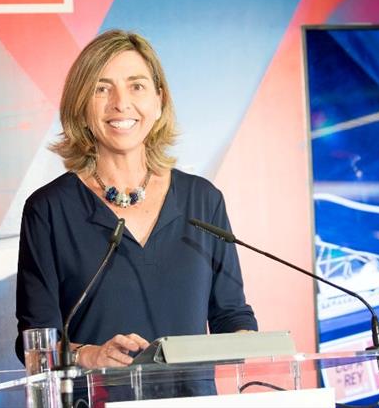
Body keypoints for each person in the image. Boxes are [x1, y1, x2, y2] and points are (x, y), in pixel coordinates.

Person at [15, 29, 257, 373]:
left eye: (137, 86)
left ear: (159, 101)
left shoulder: (203, 201)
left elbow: (231, 314)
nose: (121, 103)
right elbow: (35, 344)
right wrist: (89, 355)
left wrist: (246, 338)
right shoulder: (49, 209)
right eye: (102, 88)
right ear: (81, 106)